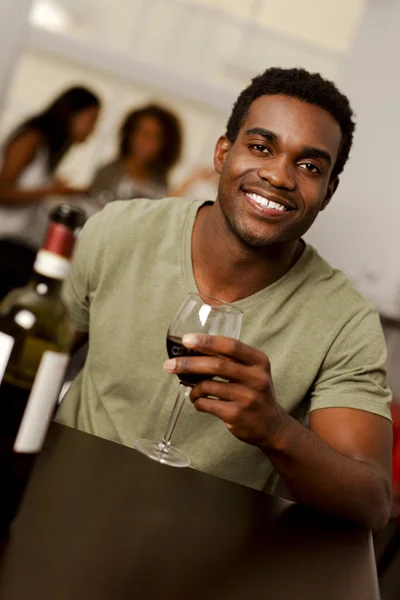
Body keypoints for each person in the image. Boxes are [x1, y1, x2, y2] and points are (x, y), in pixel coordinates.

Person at [57, 67, 393, 532]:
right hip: (63, 499)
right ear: (222, 152)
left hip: (205, 545)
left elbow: (372, 502)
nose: (278, 175)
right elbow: (38, 354)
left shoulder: (346, 322)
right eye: (261, 147)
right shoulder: (118, 231)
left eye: (310, 166)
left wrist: (276, 429)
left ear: (328, 193)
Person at [0, 86, 101, 300]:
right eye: (91, 120)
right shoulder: (30, 139)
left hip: (17, 242)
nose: (93, 130)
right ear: (73, 114)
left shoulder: (49, 147)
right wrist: (50, 190)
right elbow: (2, 191)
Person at [90, 103, 182, 204]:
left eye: (154, 136)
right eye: (141, 132)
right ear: (129, 134)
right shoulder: (107, 172)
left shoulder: (161, 183)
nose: (145, 141)